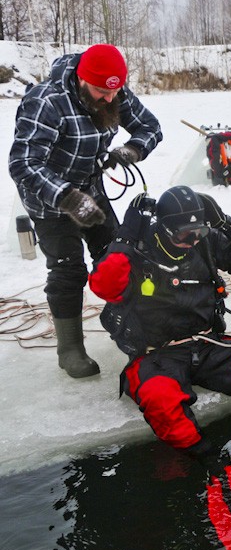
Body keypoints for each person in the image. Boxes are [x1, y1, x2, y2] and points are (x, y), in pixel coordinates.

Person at [88, 186, 231, 471]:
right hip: (156, 353)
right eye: (183, 235)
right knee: (160, 400)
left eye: (198, 233)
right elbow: (105, 287)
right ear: (164, 229)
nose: (192, 241)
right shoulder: (138, 251)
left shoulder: (205, 242)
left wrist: (226, 224)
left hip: (205, 342)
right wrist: (124, 239)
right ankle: (205, 458)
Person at [8, 43, 162, 378]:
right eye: (99, 92)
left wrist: (132, 150)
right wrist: (68, 198)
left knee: (119, 257)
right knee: (69, 269)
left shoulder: (112, 91)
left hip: (92, 189)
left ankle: (133, 328)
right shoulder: (46, 102)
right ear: (81, 79)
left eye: (115, 93)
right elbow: (22, 163)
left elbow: (151, 127)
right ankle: (71, 350)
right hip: (50, 199)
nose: (109, 100)